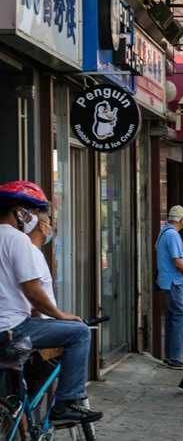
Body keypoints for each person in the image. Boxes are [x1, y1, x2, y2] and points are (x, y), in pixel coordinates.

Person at [0, 180, 102, 424]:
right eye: (33, 212)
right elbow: (33, 292)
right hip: (12, 330)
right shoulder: (16, 239)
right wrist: (60, 315)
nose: (34, 218)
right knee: (78, 332)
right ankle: (67, 403)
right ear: (19, 212)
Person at [156, 205, 183, 370]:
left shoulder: (164, 232)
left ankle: (170, 356)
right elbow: (177, 261)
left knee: (172, 320)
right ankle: (174, 357)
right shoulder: (172, 235)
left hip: (168, 283)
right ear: (182, 220)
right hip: (175, 283)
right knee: (178, 320)